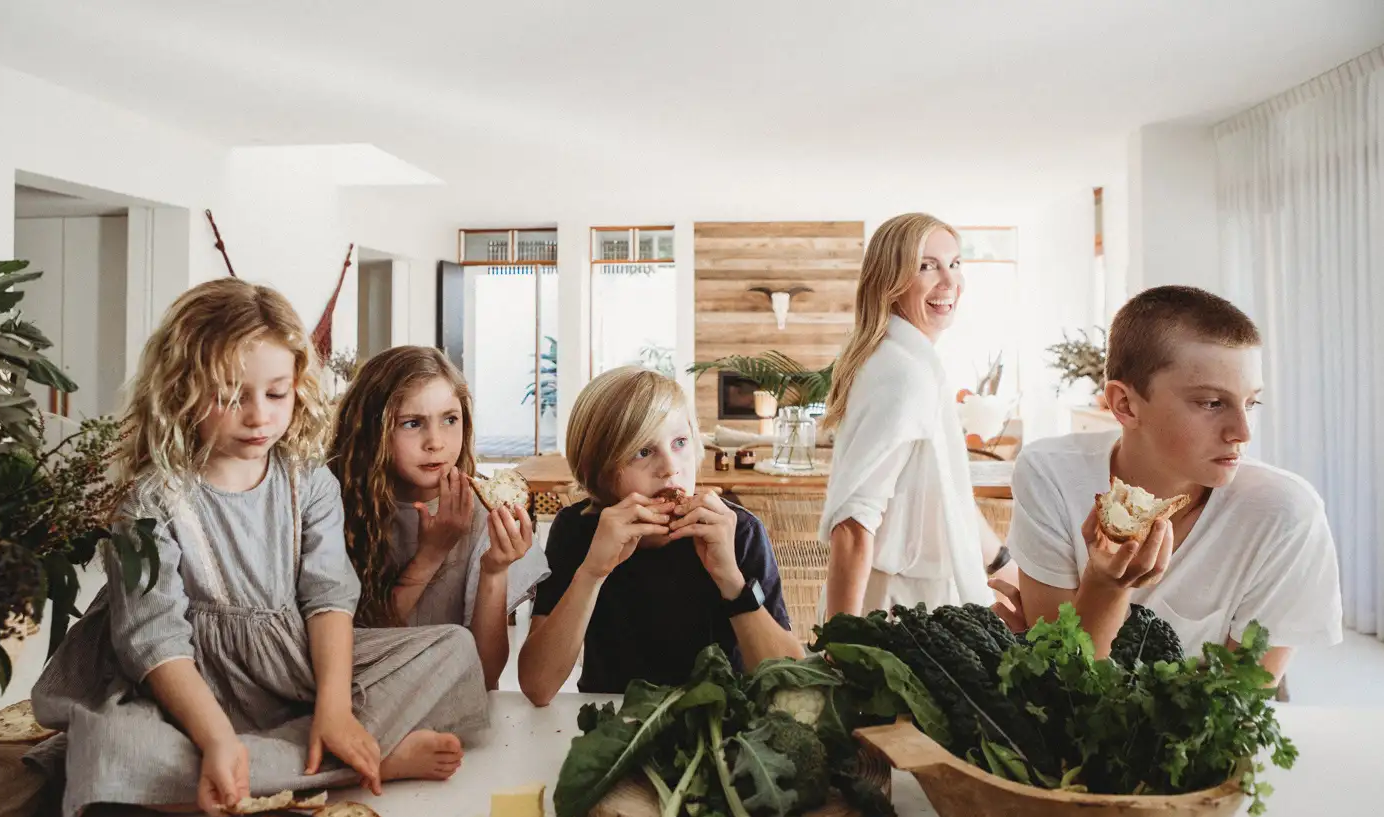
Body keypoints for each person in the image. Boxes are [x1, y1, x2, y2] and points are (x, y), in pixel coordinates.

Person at [29, 278, 488, 817]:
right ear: (180, 389)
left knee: (453, 650)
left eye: (276, 394)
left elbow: (328, 600)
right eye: (229, 395)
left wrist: (336, 709)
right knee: (111, 752)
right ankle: (351, 763)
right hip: (187, 684)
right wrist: (216, 738)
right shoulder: (151, 500)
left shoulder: (309, 483)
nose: (257, 416)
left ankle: (299, 754)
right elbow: (153, 638)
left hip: (291, 666)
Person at [1000, 285, 1343, 682]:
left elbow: (1238, 714)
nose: (1242, 432)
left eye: (1251, 403)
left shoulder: (1285, 513)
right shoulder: (1051, 475)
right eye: (1212, 403)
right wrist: (1105, 586)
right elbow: (1060, 682)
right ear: (1125, 405)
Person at [517, 366, 802, 704]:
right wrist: (592, 572)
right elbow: (538, 686)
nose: (670, 467)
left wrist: (731, 580)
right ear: (599, 471)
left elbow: (792, 685)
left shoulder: (737, 530)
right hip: (614, 724)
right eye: (643, 451)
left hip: (723, 720)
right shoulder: (578, 529)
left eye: (679, 442)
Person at [820, 212, 1014, 619]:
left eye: (955, 263)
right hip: (896, 609)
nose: (949, 281)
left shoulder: (908, 363)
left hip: (919, 598)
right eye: (927, 266)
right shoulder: (904, 376)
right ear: (889, 282)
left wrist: (1004, 564)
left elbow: (944, 492)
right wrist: (842, 642)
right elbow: (855, 521)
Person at [329, 346, 548, 689]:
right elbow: (354, 653)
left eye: (450, 419)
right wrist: (431, 554)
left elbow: (485, 676)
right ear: (372, 431)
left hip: (449, 705)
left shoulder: (486, 516)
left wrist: (495, 570)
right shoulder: (336, 508)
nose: (436, 442)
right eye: (412, 423)